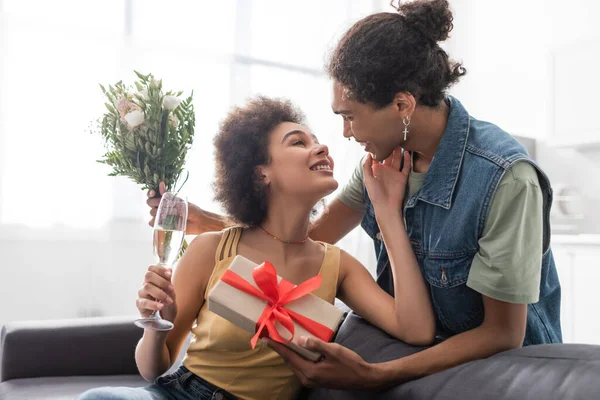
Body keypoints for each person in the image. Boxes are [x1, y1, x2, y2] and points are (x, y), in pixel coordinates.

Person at [148, 0, 562, 391]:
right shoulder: (381, 163)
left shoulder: (505, 179)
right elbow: (303, 238)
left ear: (402, 105)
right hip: (416, 354)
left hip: (500, 371)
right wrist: (211, 226)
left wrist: (377, 374)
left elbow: (503, 333)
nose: (344, 133)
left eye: (350, 116)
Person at [80, 96, 434, 400]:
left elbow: (416, 330)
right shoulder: (212, 249)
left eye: (316, 140)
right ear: (260, 172)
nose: (321, 147)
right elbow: (152, 369)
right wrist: (160, 325)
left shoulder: (337, 266)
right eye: (299, 142)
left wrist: (387, 211)